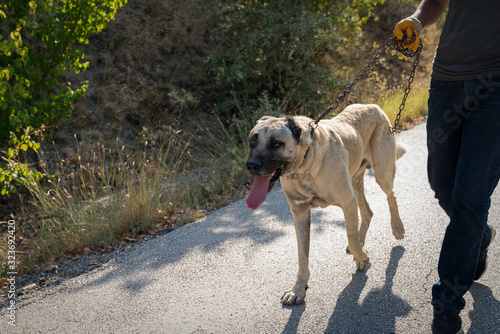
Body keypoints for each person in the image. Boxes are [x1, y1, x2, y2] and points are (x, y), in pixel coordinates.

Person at [393, 1, 499, 333]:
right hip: (447, 80)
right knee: (442, 186)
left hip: (495, 86)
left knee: (470, 197)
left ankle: (446, 305)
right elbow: (436, 3)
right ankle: (478, 235)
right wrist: (416, 20)